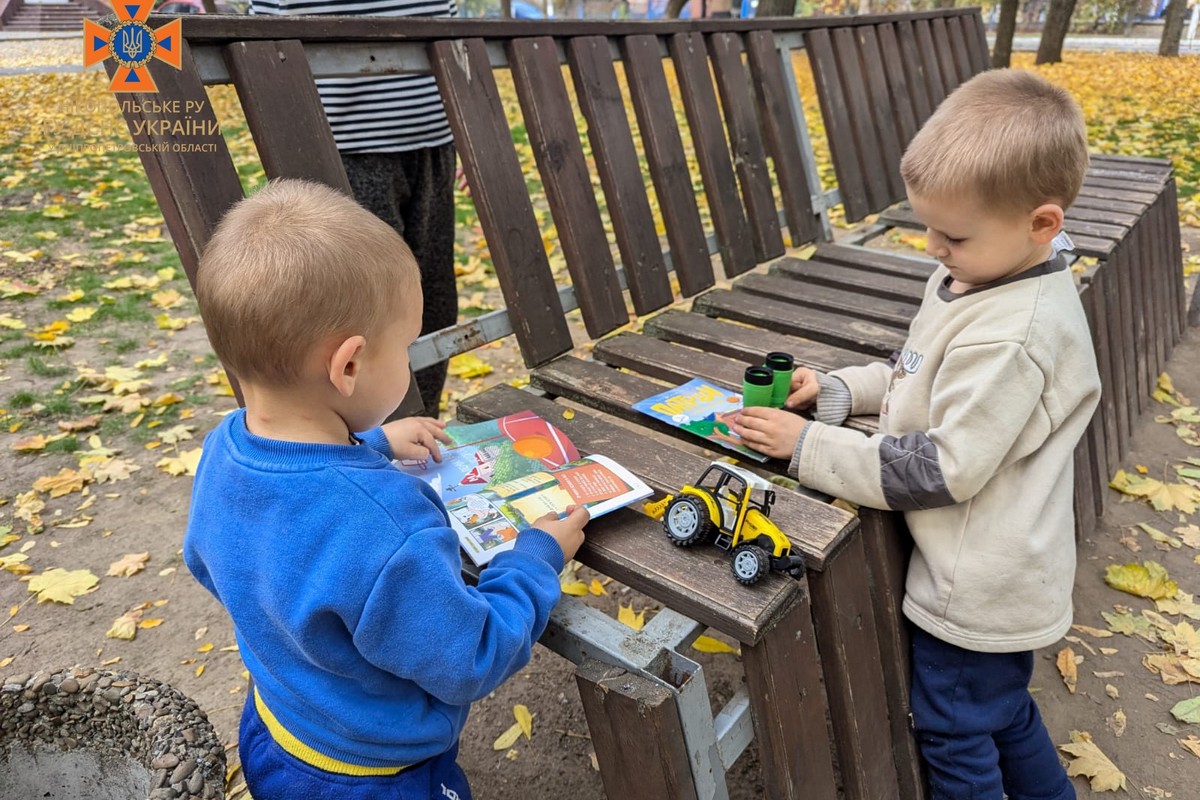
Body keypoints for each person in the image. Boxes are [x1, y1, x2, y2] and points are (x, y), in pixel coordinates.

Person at [733, 69, 1099, 800]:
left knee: (954, 731)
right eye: (926, 224)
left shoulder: (1014, 337)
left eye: (951, 234)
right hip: (996, 563)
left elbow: (940, 467)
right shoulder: (977, 276)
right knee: (999, 715)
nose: (932, 246)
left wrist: (806, 449)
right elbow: (918, 373)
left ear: (1042, 223)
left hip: (975, 587)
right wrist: (836, 391)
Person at [183, 179, 589, 800]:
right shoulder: (387, 528)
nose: (409, 362)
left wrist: (373, 443)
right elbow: (471, 655)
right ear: (348, 367)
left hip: (277, 731)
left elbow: (210, 562)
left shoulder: (227, 448)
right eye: (404, 348)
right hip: (378, 778)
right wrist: (535, 559)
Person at [249, 0, 460, 416]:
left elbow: (447, 21)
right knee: (354, 309)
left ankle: (419, 421)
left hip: (432, 136)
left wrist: (460, 126)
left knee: (430, 297)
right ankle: (362, 436)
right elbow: (264, 44)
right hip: (338, 147)